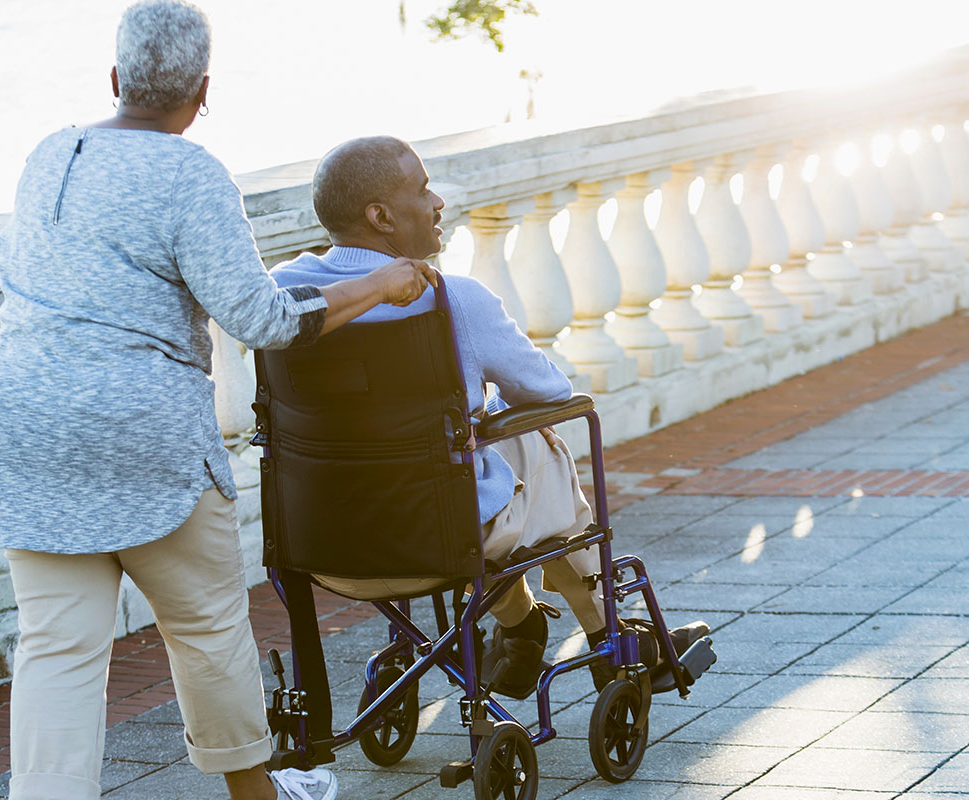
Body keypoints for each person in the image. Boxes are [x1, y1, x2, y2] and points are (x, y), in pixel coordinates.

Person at [0, 4, 433, 800]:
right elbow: (264, 320)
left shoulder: (51, 153)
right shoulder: (192, 173)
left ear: (114, 80)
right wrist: (378, 282)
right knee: (206, 628)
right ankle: (258, 796)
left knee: (56, 647)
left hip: (20, 420)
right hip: (140, 432)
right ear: (203, 91)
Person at [269, 135, 710, 700]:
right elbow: (549, 390)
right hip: (442, 540)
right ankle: (608, 637)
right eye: (423, 189)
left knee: (486, 453)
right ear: (379, 216)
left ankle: (520, 622)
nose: (438, 203)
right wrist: (488, 410)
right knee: (539, 442)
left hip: (322, 546)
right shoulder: (457, 301)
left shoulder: (285, 294)